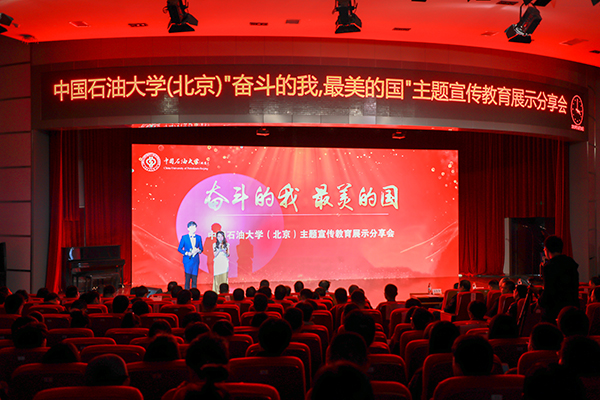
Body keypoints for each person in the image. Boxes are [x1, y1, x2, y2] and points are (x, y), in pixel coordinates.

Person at [539, 235, 579, 322]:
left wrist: (540, 301)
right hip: (571, 309)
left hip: (554, 311)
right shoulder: (571, 264)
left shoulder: (549, 267)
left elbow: (549, 292)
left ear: (547, 249)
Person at [178, 221, 203, 290]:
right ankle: (187, 292)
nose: (193, 229)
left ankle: (194, 293)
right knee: (187, 278)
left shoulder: (198, 237)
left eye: (194, 227)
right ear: (188, 228)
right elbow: (179, 249)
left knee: (194, 278)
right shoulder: (184, 237)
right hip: (187, 260)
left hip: (195, 260)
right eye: (191, 227)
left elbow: (201, 248)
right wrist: (186, 253)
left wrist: (198, 250)